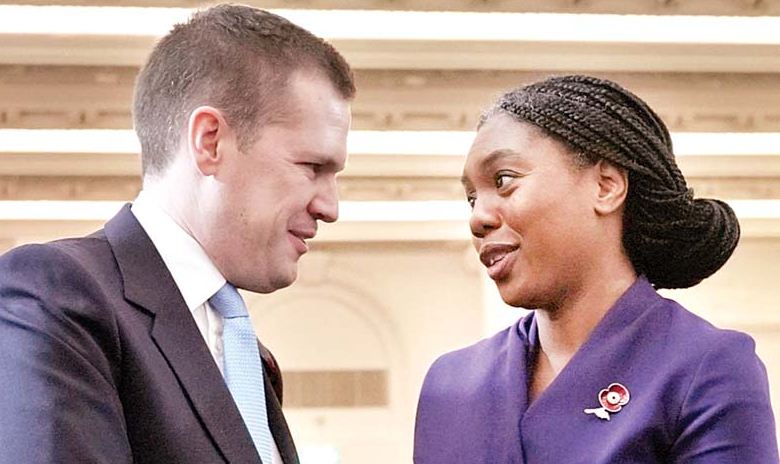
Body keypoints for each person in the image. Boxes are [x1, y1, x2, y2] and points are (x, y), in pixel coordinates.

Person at [0, 4, 354, 463]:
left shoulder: (250, 359)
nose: (330, 207)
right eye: (312, 166)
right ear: (210, 141)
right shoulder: (59, 297)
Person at [414, 75, 778, 463]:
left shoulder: (706, 366)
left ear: (605, 186)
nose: (478, 218)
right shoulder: (449, 385)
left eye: (504, 181)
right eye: (472, 198)